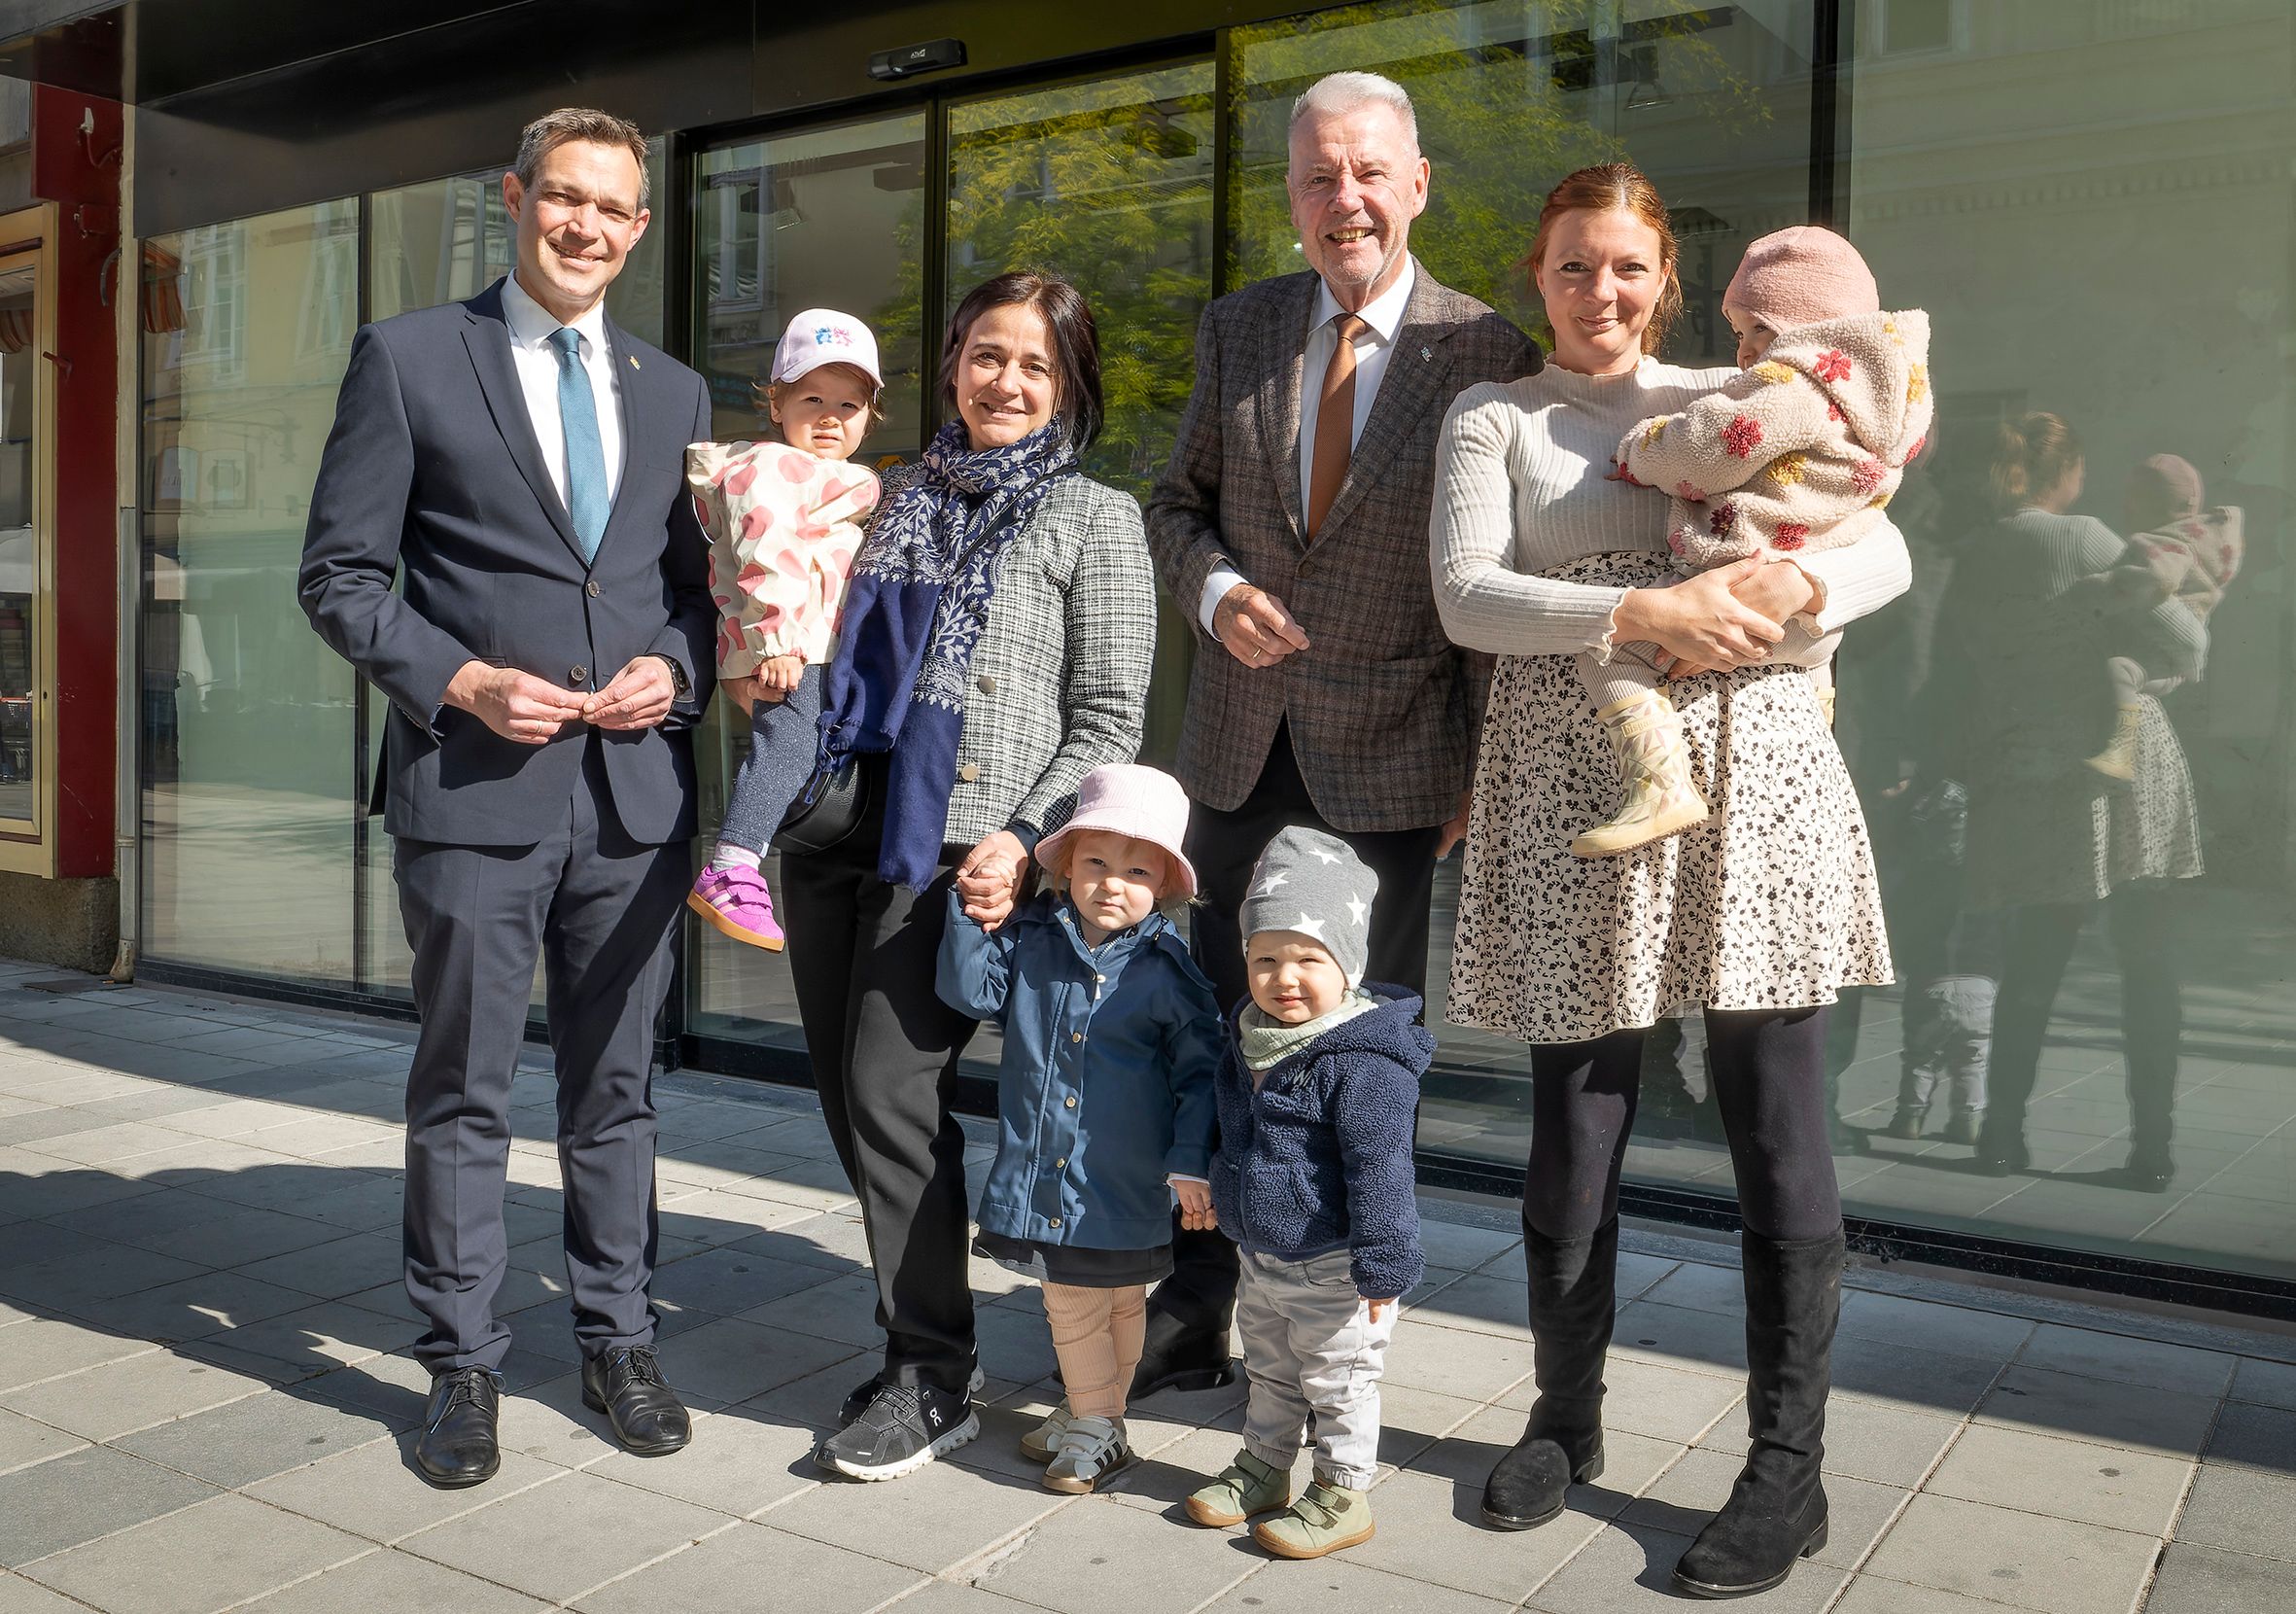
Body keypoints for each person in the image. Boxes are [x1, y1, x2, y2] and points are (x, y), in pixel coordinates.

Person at [1429, 163, 1910, 1599]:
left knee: (1772, 1119)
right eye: (1574, 267)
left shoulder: (1739, 393)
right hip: (1574, 791)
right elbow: (1464, 592)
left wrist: (1797, 591)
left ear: (1666, 280)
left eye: (1627, 268)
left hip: (1753, 778)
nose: (1602, 294)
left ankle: (1787, 1471)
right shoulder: (1495, 416)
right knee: (1575, 1122)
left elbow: (1878, 532)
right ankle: (1559, 1423)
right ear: (1538, 276)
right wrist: (1646, 605)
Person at [297, 108, 711, 1487]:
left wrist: (672, 667)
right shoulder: (411, 358)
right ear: (516, 199)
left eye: (614, 208)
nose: (587, 226)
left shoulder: (674, 391)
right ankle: (461, 1366)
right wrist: (461, 680)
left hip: (632, 804)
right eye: (564, 199)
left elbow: (704, 604)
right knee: (464, 1093)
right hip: (474, 791)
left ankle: (616, 1335)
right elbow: (342, 578)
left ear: (640, 229)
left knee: (618, 1095)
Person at [1140, 67, 1539, 1398]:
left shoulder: (1483, 350)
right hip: (1240, 747)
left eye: (1368, 171)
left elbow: (1501, 571)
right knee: (1218, 1034)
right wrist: (1212, 589)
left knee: (1354, 1050)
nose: (1343, 199)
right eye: (1317, 176)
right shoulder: (1237, 329)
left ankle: (1347, 1316)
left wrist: (1481, 765)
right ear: (1291, 198)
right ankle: (1200, 1307)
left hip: (1394, 758)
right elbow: (1171, 502)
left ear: (1416, 183)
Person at [759, 269, 1158, 1482]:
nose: (1007, 380)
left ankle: (928, 1370)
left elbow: (1108, 716)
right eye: (988, 355)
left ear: (1068, 387)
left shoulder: (1097, 519)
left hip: (962, 853)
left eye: (1035, 364)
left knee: (889, 1090)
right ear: (951, 367)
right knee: (851, 1096)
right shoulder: (880, 498)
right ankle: (929, 1335)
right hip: (830, 830)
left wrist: (1025, 836)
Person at [1585, 227, 1933, 856]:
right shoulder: (1883, 396)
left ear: (1812, 326)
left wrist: (1640, 449)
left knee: (1612, 644)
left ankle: (1659, 782)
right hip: (1812, 628)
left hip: (1742, 574)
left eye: (1759, 330)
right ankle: (1820, 713)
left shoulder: (1794, 388)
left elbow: (1712, 448)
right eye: (1739, 332)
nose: (1743, 351)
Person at [1936, 415, 2208, 1191]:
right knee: (2147, 966)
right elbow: (2187, 644)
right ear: (2071, 472)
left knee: (2032, 962)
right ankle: (2152, 1150)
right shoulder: (2089, 539)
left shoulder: (1976, 553)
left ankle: (2002, 1135)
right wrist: (2141, 672)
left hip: (2026, 769)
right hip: (2116, 770)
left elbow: (1960, 667)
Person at [935, 763, 1222, 1494]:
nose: (1111, 883)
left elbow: (1201, 1077)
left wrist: (1192, 1162)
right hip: (1044, 1168)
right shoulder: (1034, 941)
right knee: (1086, 1296)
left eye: (1135, 870)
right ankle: (1100, 1417)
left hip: (1122, 1174)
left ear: (1163, 886)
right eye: (1094, 862)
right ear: (1063, 866)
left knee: (1101, 1298)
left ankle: (1096, 1421)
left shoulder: (1168, 973)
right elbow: (971, 991)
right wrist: (971, 914)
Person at [1184, 827, 1431, 1562]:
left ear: (1348, 966)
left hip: (1336, 1261)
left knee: (1340, 1381)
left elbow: (1382, 1166)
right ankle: (1264, 1466)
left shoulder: (1364, 1063)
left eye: (1308, 960)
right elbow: (1233, 1130)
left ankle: (1343, 1490)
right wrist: (1215, 1189)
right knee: (1271, 1369)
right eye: (1265, 959)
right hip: (1262, 1252)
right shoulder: (1251, 1035)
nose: (1283, 978)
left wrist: (1385, 1265)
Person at [685, 311, 885, 950]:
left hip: (803, 647)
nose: (831, 416)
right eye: (812, 398)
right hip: (788, 647)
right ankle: (733, 864)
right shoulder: (773, 468)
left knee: (799, 748)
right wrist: (776, 645)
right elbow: (766, 550)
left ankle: (741, 858)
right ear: (775, 402)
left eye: (849, 404)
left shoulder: (826, 481)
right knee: (790, 745)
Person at [2084, 453, 2242, 781]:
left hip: (2160, 659)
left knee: (2118, 670)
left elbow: (2156, 580)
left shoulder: (2167, 547)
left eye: (2136, 502)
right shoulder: (2193, 541)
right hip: (2164, 656)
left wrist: (2098, 588)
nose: (2126, 509)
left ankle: (2121, 750)